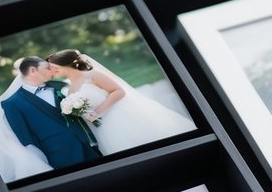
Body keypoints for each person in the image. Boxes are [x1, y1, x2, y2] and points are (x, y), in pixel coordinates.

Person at [46, 49, 192, 155]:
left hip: (117, 118)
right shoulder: (65, 86)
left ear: (66, 63)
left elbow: (118, 91)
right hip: (100, 129)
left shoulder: (91, 75)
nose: (51, 71)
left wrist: (97, 112)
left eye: (53, 67)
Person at [0, 56, 100, 171]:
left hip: (88, 147)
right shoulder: (12, 104)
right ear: (33, 70)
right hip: (60, 159)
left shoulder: (60, 86)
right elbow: (26, 140)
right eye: (47, 68)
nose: (51, 71)